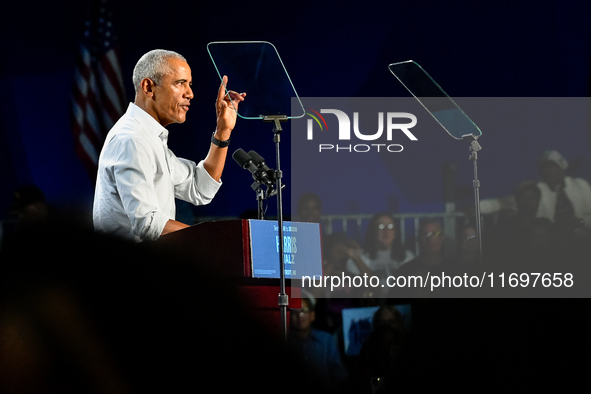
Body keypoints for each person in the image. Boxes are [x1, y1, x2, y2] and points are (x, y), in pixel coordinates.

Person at [93, 49, 245, 242]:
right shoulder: (132, 139)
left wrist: (223, 131)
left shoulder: (149, 138)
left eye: (189, 84)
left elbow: (200, 188)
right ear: (148, 87)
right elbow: (148, 222)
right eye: (180, 83)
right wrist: (210, 240)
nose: (190, 93)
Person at [346, 213, 414, 278]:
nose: (386, 230)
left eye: (390, 226)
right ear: (373, 231)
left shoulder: (407, 256)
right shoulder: (360, 256)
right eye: (381, 226)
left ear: (395, 232)